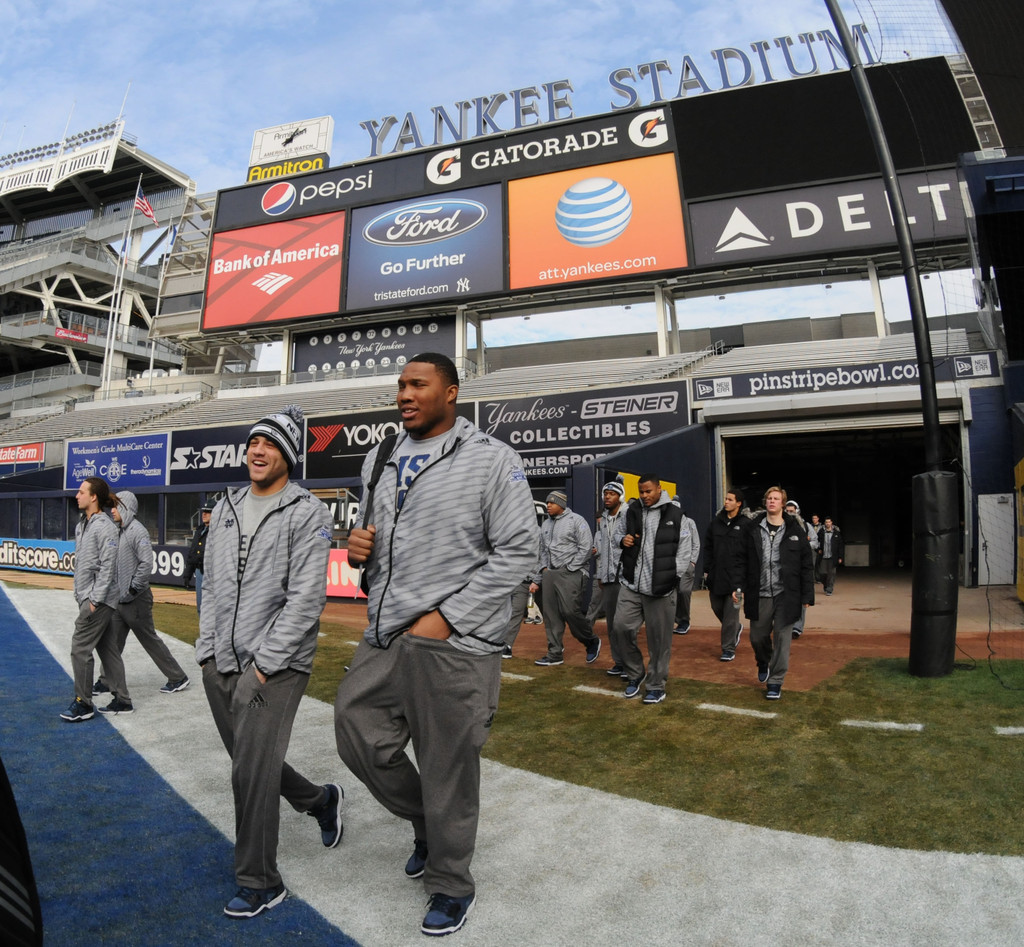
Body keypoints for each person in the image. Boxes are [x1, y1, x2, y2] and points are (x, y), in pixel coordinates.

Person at [334, 353, 538, 938]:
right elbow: (374, 539)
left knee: (448, 766)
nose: (404, 393)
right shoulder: (379, 456)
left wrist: (447, 618)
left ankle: (450, 883)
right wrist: (358, 549)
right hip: (386, 631)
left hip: (456, 642)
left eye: (417, 384)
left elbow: (520, 551)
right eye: (401, 384)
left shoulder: (492, 458)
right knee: (355, 731)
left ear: (450, 392)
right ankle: (429, 822)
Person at [196, 405, 343, 920]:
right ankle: (320, 800)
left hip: (276, 667)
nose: (258, 451)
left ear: (289, 455)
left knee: (250, 775)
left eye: (271, 444)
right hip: (221, 661)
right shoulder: (228, 504)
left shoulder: (308, 511)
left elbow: (306, 599)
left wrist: (262, 666)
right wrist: (207, 651)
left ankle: (260, 881)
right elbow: (212, 584)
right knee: (251, 761)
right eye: (254, 442)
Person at [94, 491, 190, 697]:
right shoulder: (118, 530)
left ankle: (178, 677)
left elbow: (146, 564)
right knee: (113, 642)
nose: (112, 510)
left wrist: (133, 589)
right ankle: (106, 679)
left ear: (126, 508)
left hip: (136, 599)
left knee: (149, 640)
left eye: (116, 506)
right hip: (120, 599)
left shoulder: (138, 531)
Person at [732, 485, 814, 700]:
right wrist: (738, 585)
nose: (772, 501)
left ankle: (776, 681)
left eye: (776, 498)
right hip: (760, 593)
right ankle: (763, 661)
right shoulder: (752, 529)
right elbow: (741, 560)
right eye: (769, 498)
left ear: (783, 504)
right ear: (765, 502)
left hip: (786, 595)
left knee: (782, 638)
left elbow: (806, 564)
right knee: (758, 637)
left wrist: (807, 595)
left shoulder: (795, 530)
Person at [615, 474, 687, 704]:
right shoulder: (632, 510)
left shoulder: (675, 514)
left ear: (659, 489)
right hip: (631, 584)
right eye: (641, 492)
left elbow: (685, 549)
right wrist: (622, 540)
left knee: (659, 642)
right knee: (621, 627)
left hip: (661, 589)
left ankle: (656, 685)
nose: (644, 496)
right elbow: (618, 534)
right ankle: (636, 673)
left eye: (648, 491)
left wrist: (673, 577)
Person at [60, 476, 128, 721]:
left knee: (80, 648)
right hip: (88, 596)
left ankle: (84, 703)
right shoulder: (82, 525)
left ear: (93, 496)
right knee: (108, 649)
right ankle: (123, 699)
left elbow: (109, 566)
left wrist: (94, 601)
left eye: (81, 492)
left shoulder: (105, 526)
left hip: (98, 600)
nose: (77, 496)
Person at [532, 490, 601, 667]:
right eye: (547, 502)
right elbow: (543, 550)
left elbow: (586, 546)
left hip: (572, 572)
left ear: (561, 504)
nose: (548, 505)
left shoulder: (576, 520)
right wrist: (544, 570)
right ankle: (554, 653)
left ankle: (590, 640)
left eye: (552, 502)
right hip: (550, 573)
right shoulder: (546, 524)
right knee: (551, 616)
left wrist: (571, 567)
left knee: (570, 611)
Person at [703, 487, 750, 661]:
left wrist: (745, 580)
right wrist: (707, 569)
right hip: (717, 577)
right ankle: (735, 629)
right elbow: (708, 547)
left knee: (731, 615)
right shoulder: (716, 523)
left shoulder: (746, 524)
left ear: (739, 503)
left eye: (730, 499)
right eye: (726, 499)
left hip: (736, 579)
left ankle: (728, 649)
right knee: (717, 607)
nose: (726, 502)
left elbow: (750, 553)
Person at [587, 480, 628, 677]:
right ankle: (619, 662)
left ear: (620, 496)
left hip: (626, 578)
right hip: (609, 578)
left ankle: (630, 664)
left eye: (612, 494)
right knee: (612, 624)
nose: (607, 497)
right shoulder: (603, 519)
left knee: (624, 624)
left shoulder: (629, 515)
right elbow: (603, 550)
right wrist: (602, 574)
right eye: (605, 494)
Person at [784, 499, 818, 639]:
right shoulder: (779, 524)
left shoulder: (806, 526)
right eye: (787, 511)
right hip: (784, 566)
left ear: (797, 511)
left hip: (800, 565)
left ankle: (797, 627)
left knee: (800, 596)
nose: (789, 513)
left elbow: (815, 542)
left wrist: (804, 546)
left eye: (792, 511)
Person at [671, 497, 700, 635]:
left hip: (686, 565)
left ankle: (684, 621)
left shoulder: (689, 522)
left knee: (683, 591)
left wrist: (692, 561)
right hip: (670, 565)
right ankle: (673, 620)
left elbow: (696, 543)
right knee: (671, 594)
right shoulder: (666, 523)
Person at [183, 506, 212, 612]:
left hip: (212, 573)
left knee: (211, 608)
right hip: (199, 571)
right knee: (200, 607)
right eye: (203, 511)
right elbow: (193, 552)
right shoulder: (200, 529)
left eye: (208, 512)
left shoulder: (218, 530)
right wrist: (187, 574)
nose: (204, 514)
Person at [817, 517, 845, 595]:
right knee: (822, 573)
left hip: (833, 557)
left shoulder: (836, 533)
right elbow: (816, 541)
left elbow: (840, 546)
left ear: (831, 523)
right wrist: (818, 549)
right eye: (826, 522)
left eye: (829, 522)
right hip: (823, 556)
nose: (828, 523)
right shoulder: (821, 532)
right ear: (824, 523)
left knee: (831, 574)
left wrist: (840, 557)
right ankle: (826, 585)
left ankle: (829, 589)